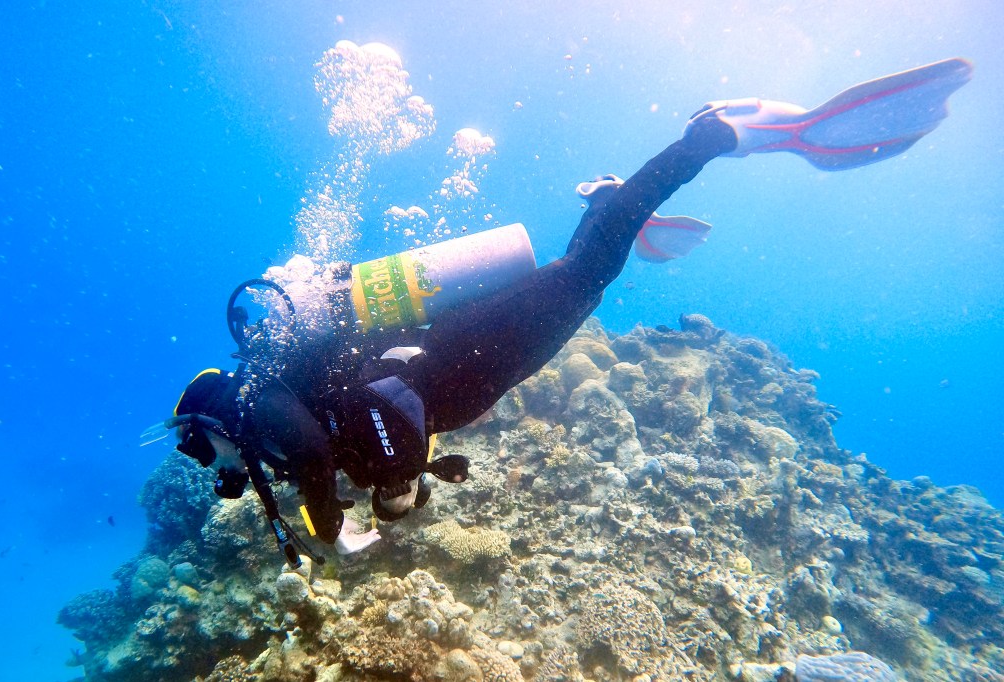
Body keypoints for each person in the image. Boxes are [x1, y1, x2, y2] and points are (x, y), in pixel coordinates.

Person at [151, 58, 971, 565]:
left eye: (199, 453)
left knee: (587, 276)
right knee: (576, 276)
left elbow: (316, 448)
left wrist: (330, 529)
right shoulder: (270, 395)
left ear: (204, 421)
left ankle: (706, 140)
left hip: (460, 358)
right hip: (457, 361)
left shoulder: (258, 404)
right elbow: (356, 440)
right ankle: (612, 198)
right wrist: (391, 492)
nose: (214, 472)